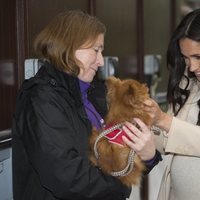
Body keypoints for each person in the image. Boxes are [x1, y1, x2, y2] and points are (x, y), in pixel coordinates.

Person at [12, 10, 161, 200]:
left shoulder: (93, 95)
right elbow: (67, 178)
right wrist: (122, 184)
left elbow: (116, 159)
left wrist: (148, 156)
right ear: (70, 46)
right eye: (96, 50)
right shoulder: (40, 99)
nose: (100, 61)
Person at [141, 8, 200, 200]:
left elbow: (172, 126)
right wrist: (147, 128)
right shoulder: (188, 83)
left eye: (198, 57)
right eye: (186, 58)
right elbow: (171, 140)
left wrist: (164, 120)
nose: (192, 67)